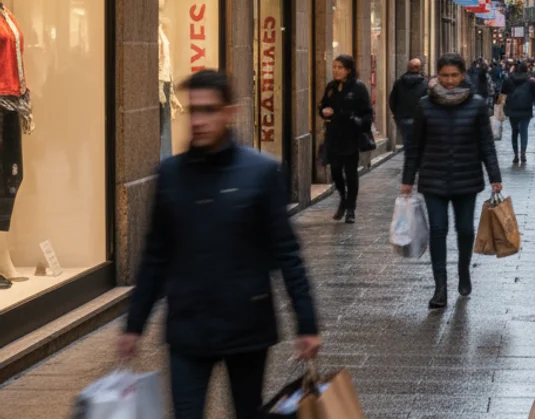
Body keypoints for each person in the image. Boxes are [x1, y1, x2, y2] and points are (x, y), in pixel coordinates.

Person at [119, 70, 320, 419]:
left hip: (247, 325)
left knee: (246, 411)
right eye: (193, 111)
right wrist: (134, 323)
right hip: (187, 327)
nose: (198, 120)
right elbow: (156, 254)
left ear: (229, 113)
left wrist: (307, 322)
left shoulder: (260, 172)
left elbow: (288, 253)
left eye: (209, 110)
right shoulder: (171, 174)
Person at [402, 53, 503, 308]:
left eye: (454, 75)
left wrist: (495, 177)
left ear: (462, 75)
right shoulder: (425, 105)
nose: (449, 80)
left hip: (466, 178)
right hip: (433, 178)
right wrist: (407, 179)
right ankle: (440, 287)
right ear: (437, 75)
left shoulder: (477, 105)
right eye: (444, 75)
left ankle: (464, 270)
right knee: (438, 230)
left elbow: (486, 144)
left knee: (466, 230)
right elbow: (415, 146)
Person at [319, 54, 374, 223]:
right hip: (334, 136)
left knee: (351, 173)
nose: (336, 70)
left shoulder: (358, 87)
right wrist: (323, 111)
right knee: (335, 171)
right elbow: (322, 105)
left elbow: (368, 113)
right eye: (334, 67)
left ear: (349, 70)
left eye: (340, 67)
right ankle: (343, 198)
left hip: (351, 136)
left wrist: (355, 120)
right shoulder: (331, 87)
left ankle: (351, 208)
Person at [501, 61, 535, 164]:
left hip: (512, 108)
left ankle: (516, 154)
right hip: (526, 108)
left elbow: (502, 93)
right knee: (524, 131)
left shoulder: (508, 79)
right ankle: (523, 153)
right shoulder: (530, 80)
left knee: (514, 131)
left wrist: (500, 108)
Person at [389, 58, 428, 148]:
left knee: (407, 143)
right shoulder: (425, 84)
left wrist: (397, 115)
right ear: (419, 68)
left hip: (402, 118)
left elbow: (392, 100)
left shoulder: (399, 83)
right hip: (419, 119)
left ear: (408, 68)